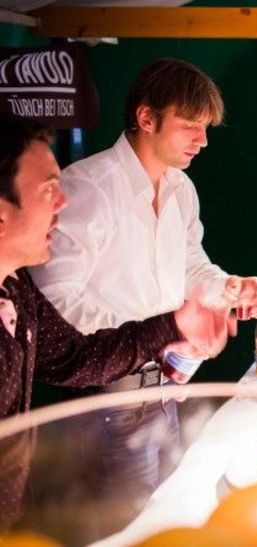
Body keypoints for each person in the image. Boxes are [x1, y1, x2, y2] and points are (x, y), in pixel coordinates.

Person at [30, 58, 257, 391]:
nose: (203, 140)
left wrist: (229, 287)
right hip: (101, 383)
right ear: (146, 118)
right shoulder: (88, 188)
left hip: (167, 382)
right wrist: (156, 334)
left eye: (205, 127)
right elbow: (55, 306)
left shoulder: (181, 187)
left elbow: (188, 265)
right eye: (189, 125)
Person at [0, 114, 235, 418]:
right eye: (48, 189)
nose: (63, 202)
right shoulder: (93, 184)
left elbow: (76, 357)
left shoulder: (17, 288)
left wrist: (174, 325)